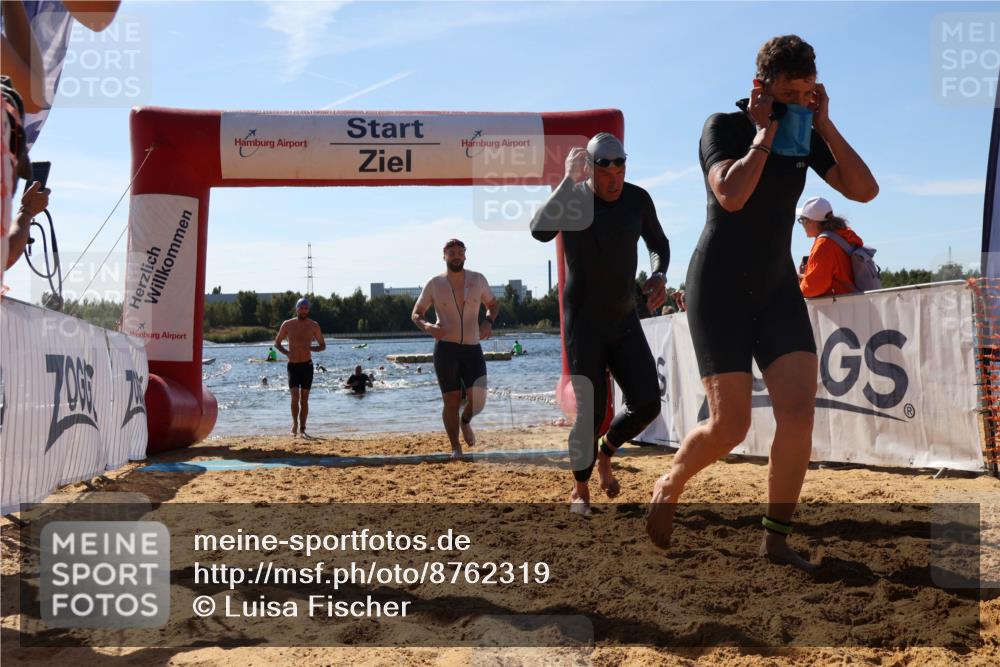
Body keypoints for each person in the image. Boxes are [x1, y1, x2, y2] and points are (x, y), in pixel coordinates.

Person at [646, 35, 878, 569]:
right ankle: (671, 480)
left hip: (775, 288)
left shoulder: (805, 129)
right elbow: (732, 195)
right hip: (719, 286)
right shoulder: (723, 127)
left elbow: (865, 191)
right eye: (790, 91)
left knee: (798, 413)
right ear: (762, 86)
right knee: (732, 427)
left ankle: (775, 540)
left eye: (808, 90)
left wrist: (823, 125)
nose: (799, 99)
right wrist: (764, 132)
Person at [531, 132, 670, 515]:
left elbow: (658, 243)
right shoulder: (573, 198)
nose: (614, 180)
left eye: (621, 170)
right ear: (590, 169)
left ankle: (607, 453)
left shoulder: (637, 199)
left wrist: (659, 275)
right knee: (590, 412)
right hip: (584, 324)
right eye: (606, 172)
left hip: (624, 318)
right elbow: (540, 230)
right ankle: (579, 489)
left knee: (646, 404)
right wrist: (565, 180)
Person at [411, 238, 500, 457]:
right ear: (444, 256)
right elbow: (416, 314)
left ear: (465, 256)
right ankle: (455, 447)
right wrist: (428, 326)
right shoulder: (434, 283)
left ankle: (465, 421)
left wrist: (488, 322)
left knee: (478, 399)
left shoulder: (478, 279)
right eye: (451, 252)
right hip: (446, 349)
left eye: (460, 251)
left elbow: (493, 304)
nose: (456, 255)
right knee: (450, 401)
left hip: (472, 347)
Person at [274, 298, 326, 437]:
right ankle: (294, 424)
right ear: (297, 309)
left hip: (307, 366)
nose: (303, 310)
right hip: (293, 366)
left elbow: (322, 345)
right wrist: (287, 353)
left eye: (306, 308)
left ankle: (303, 428)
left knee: (304, 399)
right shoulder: (287, 324)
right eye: (301, 307)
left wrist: (311, 348)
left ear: (308, 310)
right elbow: (277, 343)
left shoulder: (314, 325)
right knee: (294, 397)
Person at [796, 196, 865, 297]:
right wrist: (805, 278)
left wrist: (794, 288)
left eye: (802, 220)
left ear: (811, 221)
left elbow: (814, 287)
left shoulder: (824, 244)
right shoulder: (842, 235)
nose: (802, 224)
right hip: (854, 303)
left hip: (839, 308)